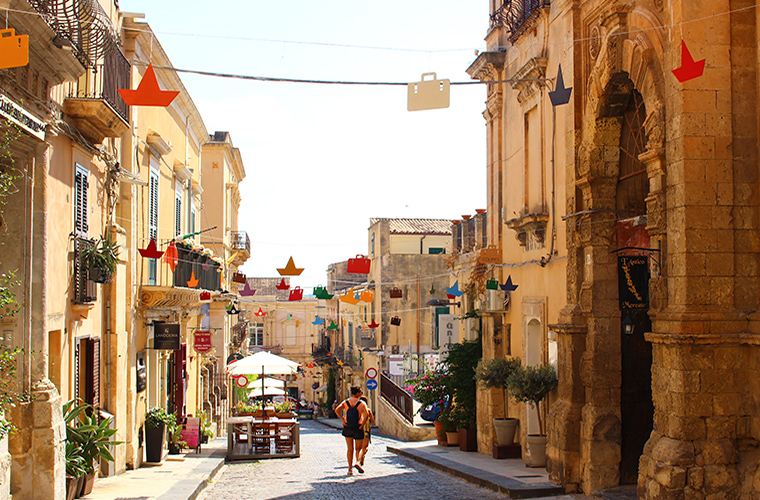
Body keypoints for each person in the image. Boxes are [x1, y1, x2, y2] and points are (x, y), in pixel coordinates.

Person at [335, 387, 368, 475]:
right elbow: (367, 414)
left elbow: (337, 410)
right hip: (358, 427)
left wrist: (343, 419)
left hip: (348, 426)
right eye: (360, 392)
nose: (361, 393)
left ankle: (350, 469)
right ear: (357, 393)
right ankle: (358, 462)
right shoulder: (362, 403)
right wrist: (362, 424)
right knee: (359, 448)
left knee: (350, 448)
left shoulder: (346, 402)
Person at [357, 396, 374, 467]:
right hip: (366, 429)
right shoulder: (368, 410)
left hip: (359, 429)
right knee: (364, 447)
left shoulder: (357, 410)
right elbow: (372, 420)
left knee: (359, 448)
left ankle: (359, 459)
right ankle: (360, 459)